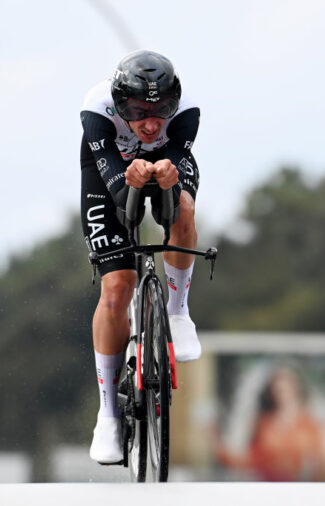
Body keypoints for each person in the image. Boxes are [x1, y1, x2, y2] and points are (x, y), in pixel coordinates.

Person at [80, 50, 201, 464]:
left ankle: (178, 311)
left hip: (165, 163)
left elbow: (180, 161)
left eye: (161, 111)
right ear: (119, 104)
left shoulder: (186, 112)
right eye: (137, 111)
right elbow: (117, 192)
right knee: (117, 288)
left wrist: (170, 175)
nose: (151, 123)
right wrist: (127, 178)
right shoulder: (97, 110)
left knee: (182, 208)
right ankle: (108, 415)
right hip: (110, 170)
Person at [215, 365, 325, 481]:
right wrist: (217, 441)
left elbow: (320, 468)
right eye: (278, 389)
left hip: (298, 490)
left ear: (296, 389)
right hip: (267, 489)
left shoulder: (310, 426)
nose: (282, 393)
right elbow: (249, 461)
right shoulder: (264, 424)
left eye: (287, 388)